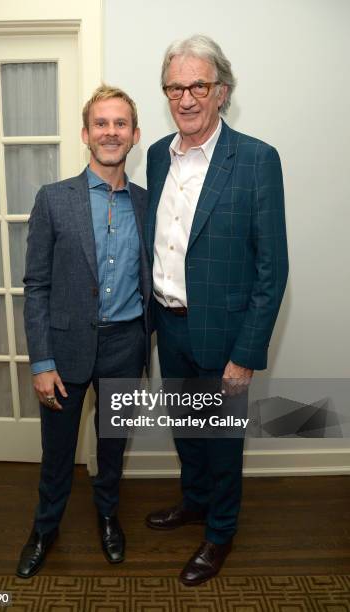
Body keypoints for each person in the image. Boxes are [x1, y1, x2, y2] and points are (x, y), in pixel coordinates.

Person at [144, 35, 288, 586]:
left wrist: (247, 352)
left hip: (225, 337)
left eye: (197, 85)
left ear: (220, 92)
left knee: (223, 443)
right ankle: (196, 503)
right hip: (170, 327)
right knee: (187, 431)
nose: (185, 98)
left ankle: (220, 533)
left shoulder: (255, 159)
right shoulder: (158, 155)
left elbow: (272, 267)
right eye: (175, 87)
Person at [16, 85, 151, 578]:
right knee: (57, 452)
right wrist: (42, 361)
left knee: (112, 445)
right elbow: (36, 285)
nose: (110, 132)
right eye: (101, 123)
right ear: (85, 134)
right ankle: (44, 528)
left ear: (134, 135)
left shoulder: (146, 203)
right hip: (65, 348)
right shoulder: (53, 200)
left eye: (120, 124)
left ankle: (108, 515)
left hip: (125, 345)